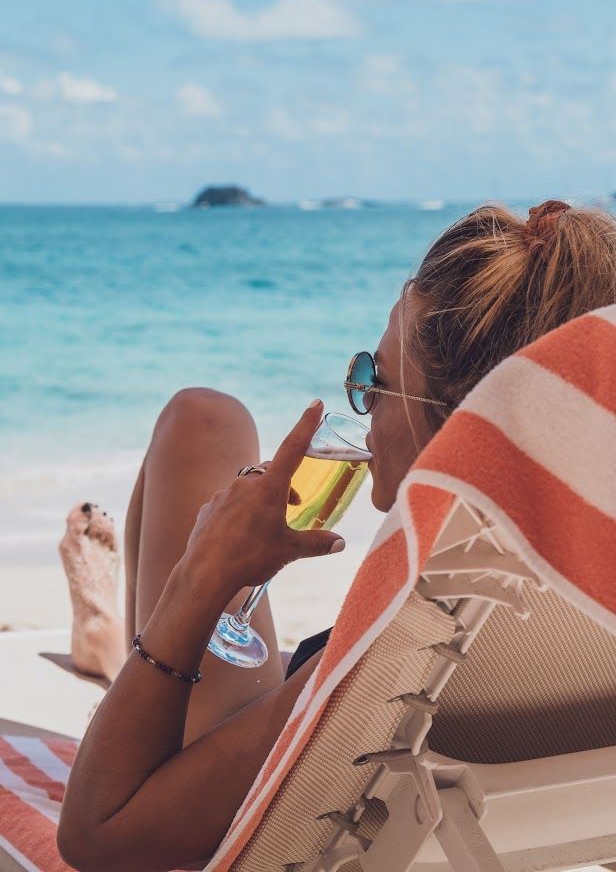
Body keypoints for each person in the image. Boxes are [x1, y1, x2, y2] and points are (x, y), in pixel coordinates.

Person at [57, 200, 616, 870]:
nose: (362, 401)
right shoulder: (584, 566)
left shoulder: (415, 634)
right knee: (208, 420)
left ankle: (114, 651)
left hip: (309, 781)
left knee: (199, 421)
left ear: (451, 425)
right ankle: (107, 648)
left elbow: (99, 835)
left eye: (373, 380)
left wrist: (198, 583)